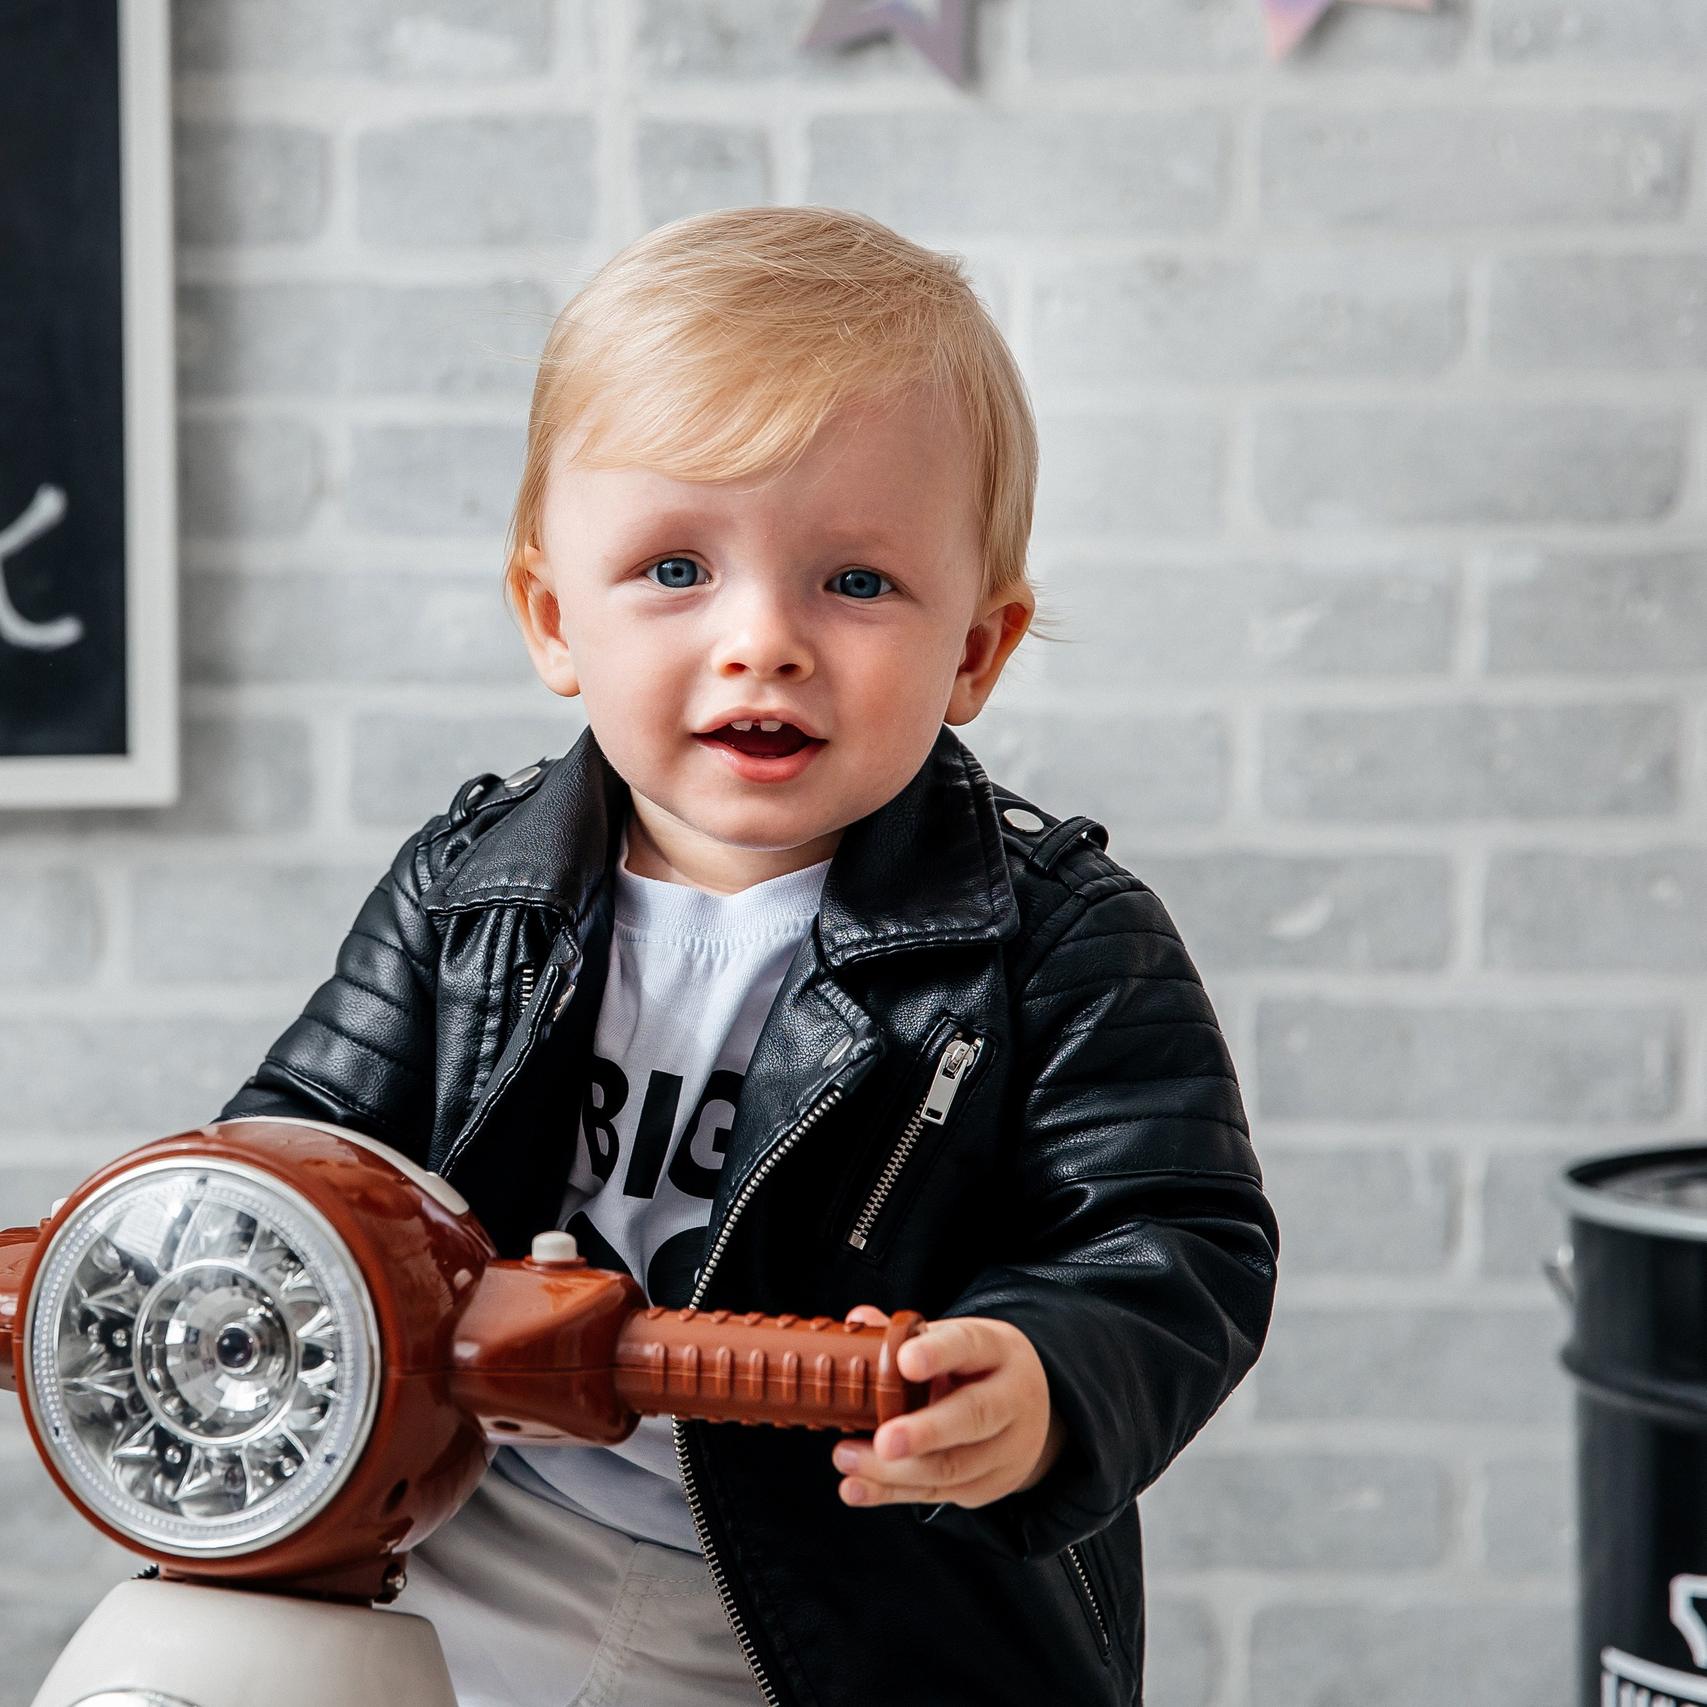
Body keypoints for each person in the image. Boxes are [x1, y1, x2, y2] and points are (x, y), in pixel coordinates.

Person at [220, 206, 1278, 1707]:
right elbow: (306, 1153)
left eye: (855, 582)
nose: (761, 640)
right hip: (472, 1541)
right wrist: (196, 1239)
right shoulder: (471, 897)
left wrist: (1043, 1378)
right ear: (551, 617)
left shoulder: (1058, 942)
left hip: (841, 1597)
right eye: (672, 569)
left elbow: (1175, 1243)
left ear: (978, 647)